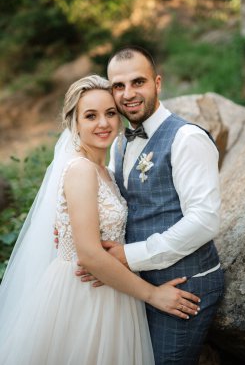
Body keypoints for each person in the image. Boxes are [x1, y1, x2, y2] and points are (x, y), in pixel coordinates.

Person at [0, 75, 200, 365]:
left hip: (113, 288)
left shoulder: (105, 169)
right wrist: (154, 295)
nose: (103, 123)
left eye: (109, 113)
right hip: (84, 296)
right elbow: (90, 255)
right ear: (74, 123)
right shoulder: (80, 170)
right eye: (90, 116)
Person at [80, 47, 224, 364]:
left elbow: (205, 220)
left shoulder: (186, 138)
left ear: (157, 83)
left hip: (186, 287)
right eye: (118, 86)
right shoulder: (119, 141)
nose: (128, 94)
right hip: (138, 287)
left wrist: (128, 256)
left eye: (138, 82)